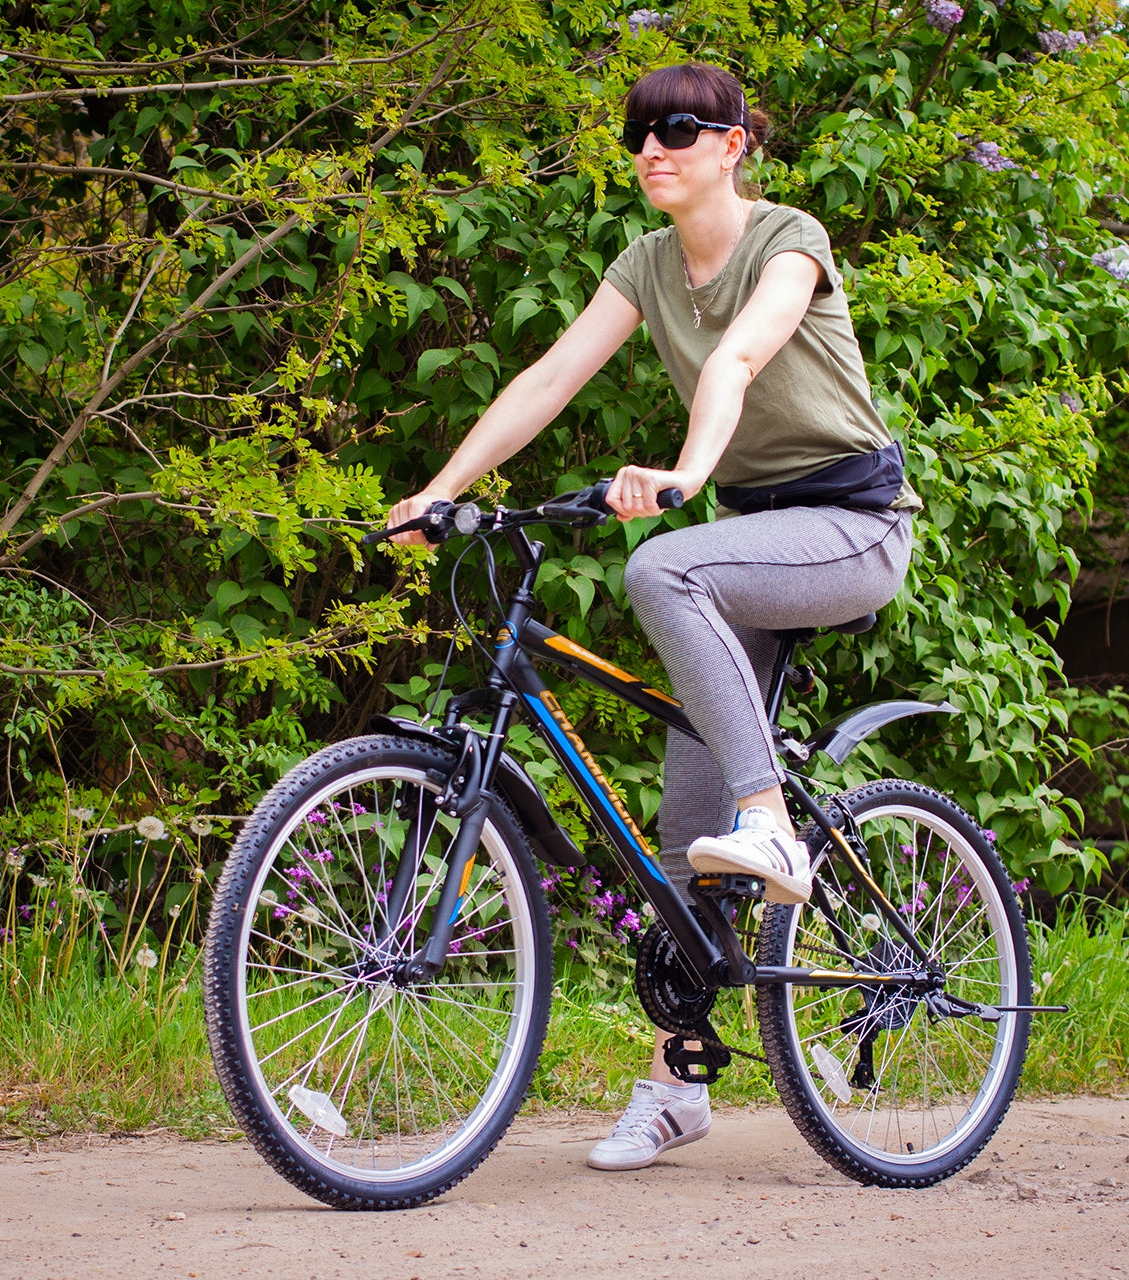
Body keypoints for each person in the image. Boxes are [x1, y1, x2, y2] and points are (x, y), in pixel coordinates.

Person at [384, 63, 921, 1172]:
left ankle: (773, 819)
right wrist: (441, 489)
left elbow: (738, 356)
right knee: (686, 844)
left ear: (732, 145)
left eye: (677, 128)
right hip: (752, 545)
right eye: (638, 132)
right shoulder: (644, 264)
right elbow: (549, 377)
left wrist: (685, 474)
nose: (652, 149)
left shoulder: (789, 238)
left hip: (851, 525)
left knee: (663, 569)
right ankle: (679, 1085)